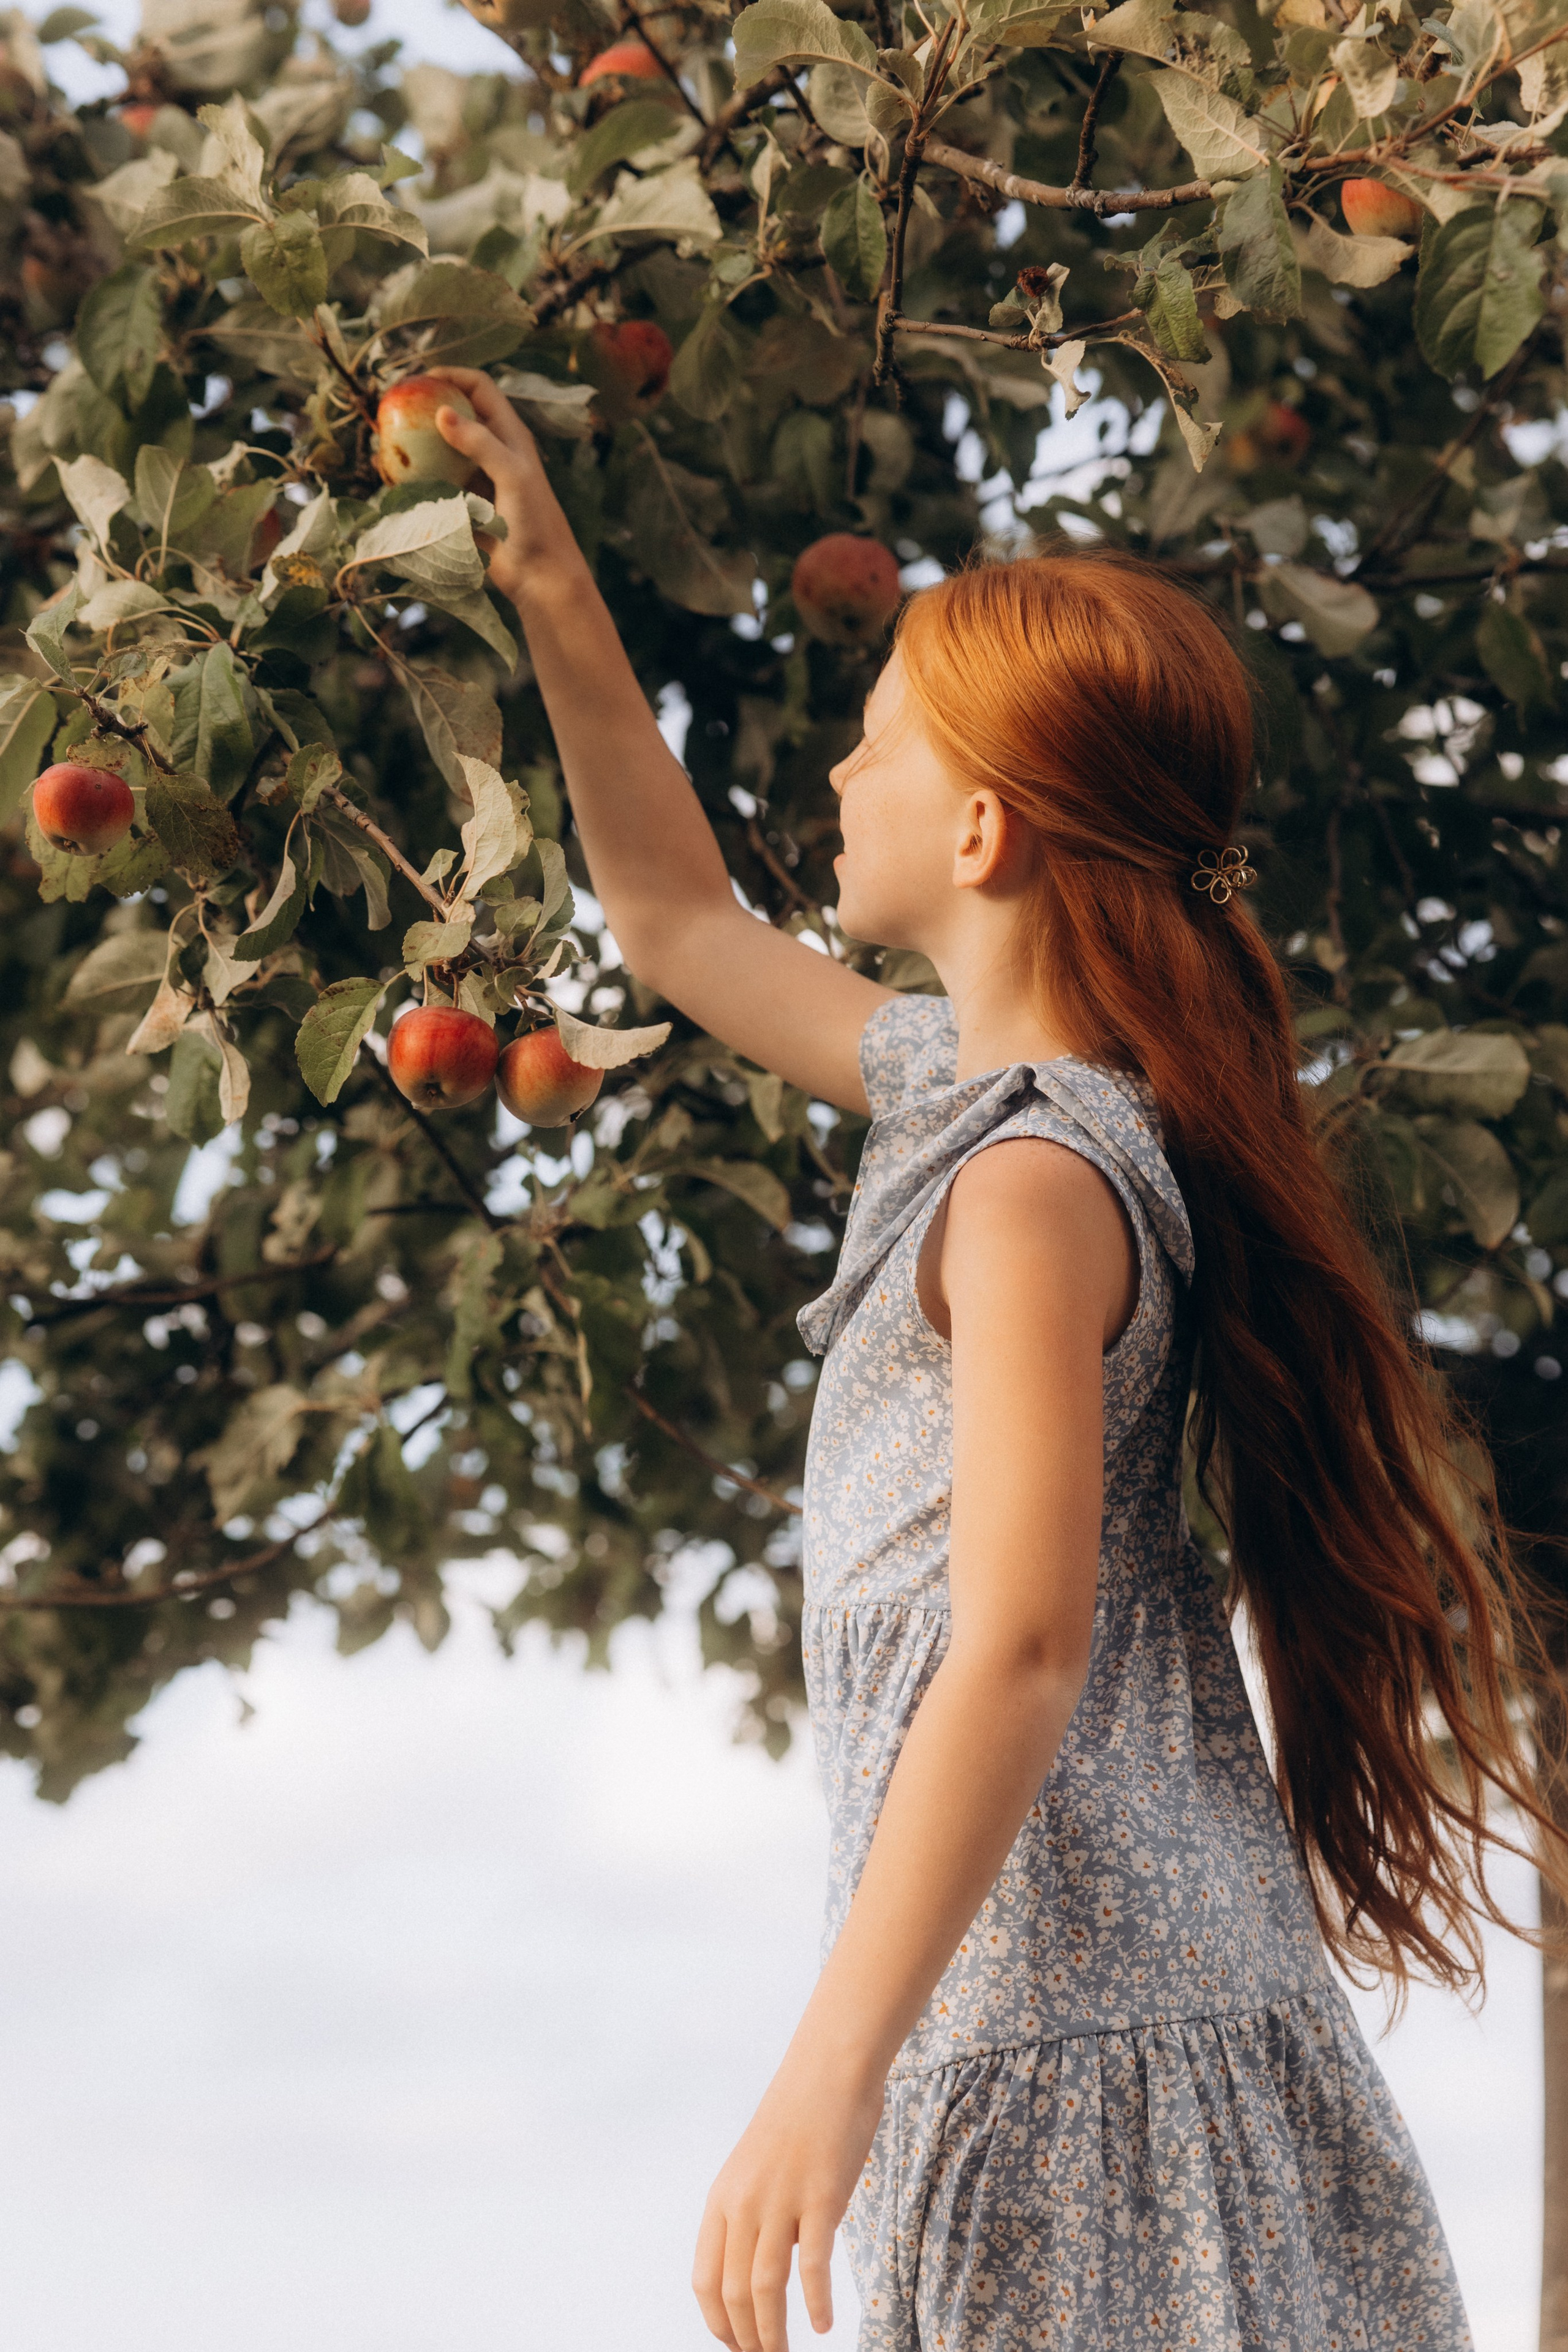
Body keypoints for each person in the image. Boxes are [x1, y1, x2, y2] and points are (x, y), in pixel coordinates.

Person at [429, 369, 1564, 2352]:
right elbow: (677, 920)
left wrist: (826, 2072)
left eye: (871, 751)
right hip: (1067, 2015)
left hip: (1078, 2041)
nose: (835, 789)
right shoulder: (952, 1092)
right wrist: (550, 587)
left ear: (980, 824)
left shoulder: (1035, 1181)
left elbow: (1022, 1641)